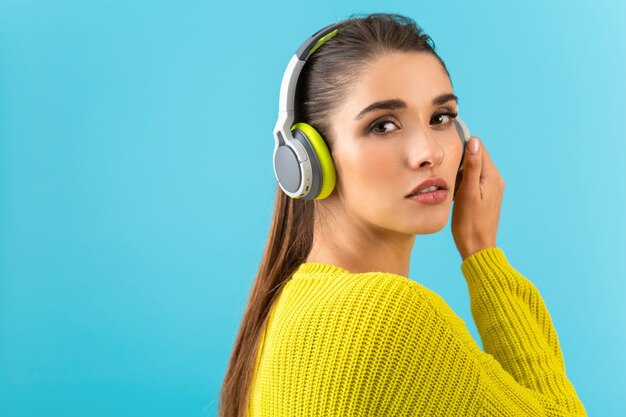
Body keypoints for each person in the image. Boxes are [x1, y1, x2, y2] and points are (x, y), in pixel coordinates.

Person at [219, 12, 587, 417]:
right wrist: (483, 253)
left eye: (440, 118)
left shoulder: (290, 306)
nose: (431, 152)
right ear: (309, 161)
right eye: (383, 125)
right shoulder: (388, 316)